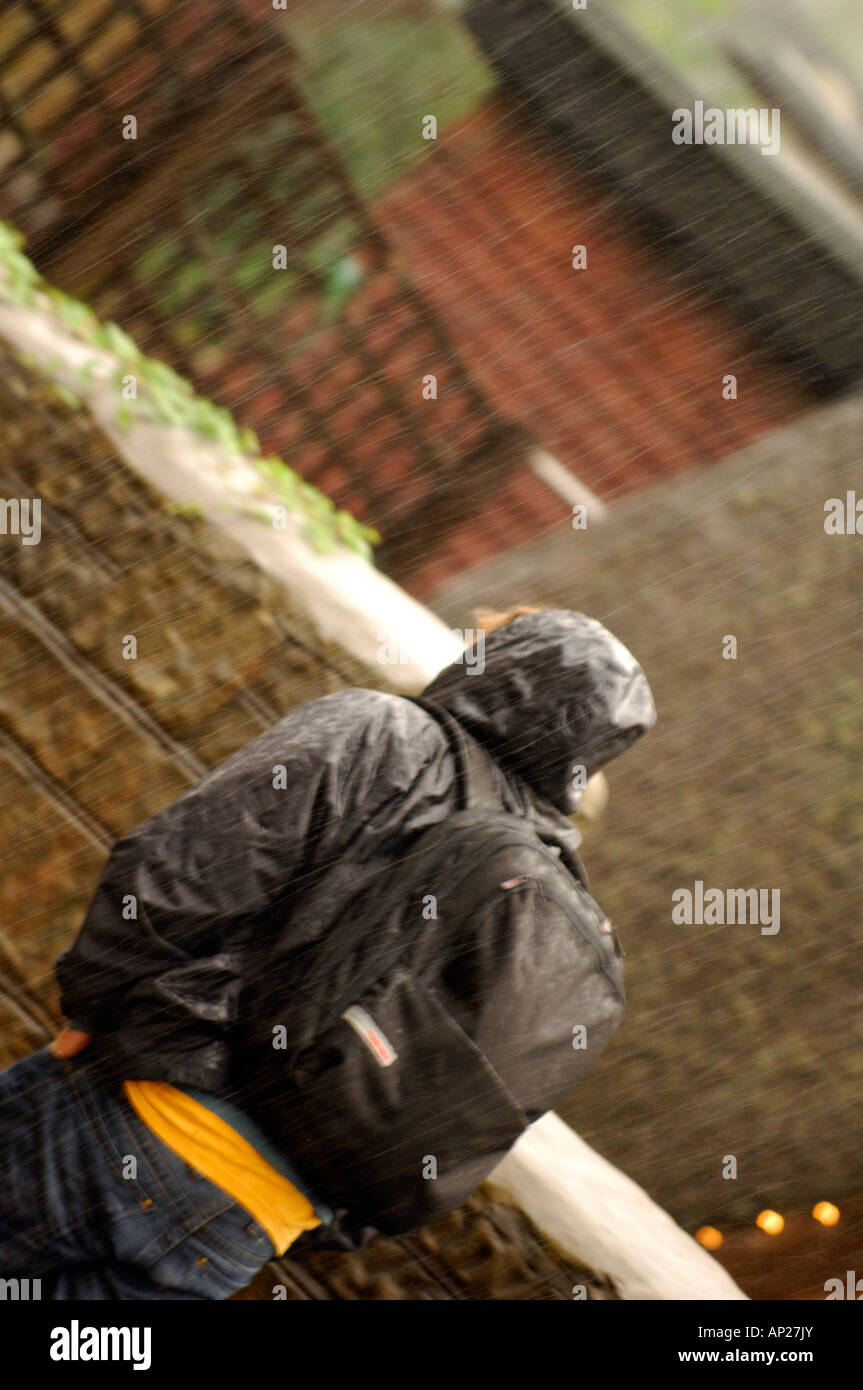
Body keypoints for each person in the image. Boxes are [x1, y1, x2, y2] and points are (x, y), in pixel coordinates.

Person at [0, 607, 656, 1299]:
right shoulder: (557, 906)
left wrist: (92, 1004)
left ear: (503, 668)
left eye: (485, 639)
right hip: (248, 1223)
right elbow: (467, 1107)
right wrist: (326, 1217)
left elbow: (184, 870)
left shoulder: (387, 733)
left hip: (126, 1120)